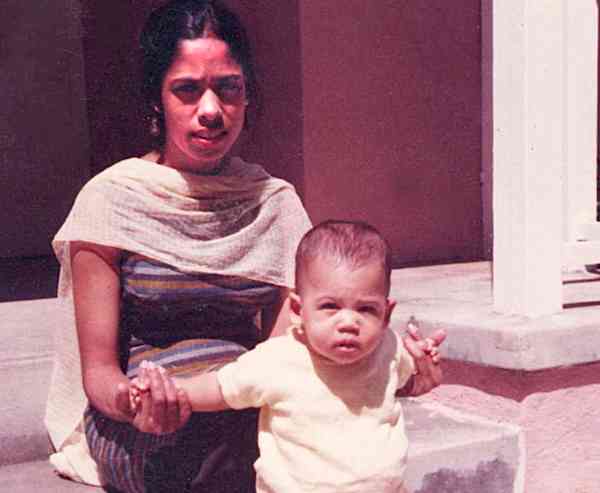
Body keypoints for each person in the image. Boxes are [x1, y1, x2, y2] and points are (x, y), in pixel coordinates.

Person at [44, 1, 443, 492]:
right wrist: (139, 403)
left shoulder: (273, 205)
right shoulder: (112, 201)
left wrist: (405, 374)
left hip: (244, 408)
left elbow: (295, 346)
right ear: (156, 99)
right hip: (142, 423)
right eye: (187, 91)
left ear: (247, 95)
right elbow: (100, 373)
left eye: (228, 88)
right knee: (215, 455)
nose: (210, 110)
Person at [131, 220, 445, 493]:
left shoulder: (389, 348)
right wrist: (170, 389)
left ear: (386, 313)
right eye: (330, 307)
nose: (349, 323)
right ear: (298, 311)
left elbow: (408, 383)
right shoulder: (278, 360)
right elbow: (219, 388)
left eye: (366, 309)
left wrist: (424, 368)